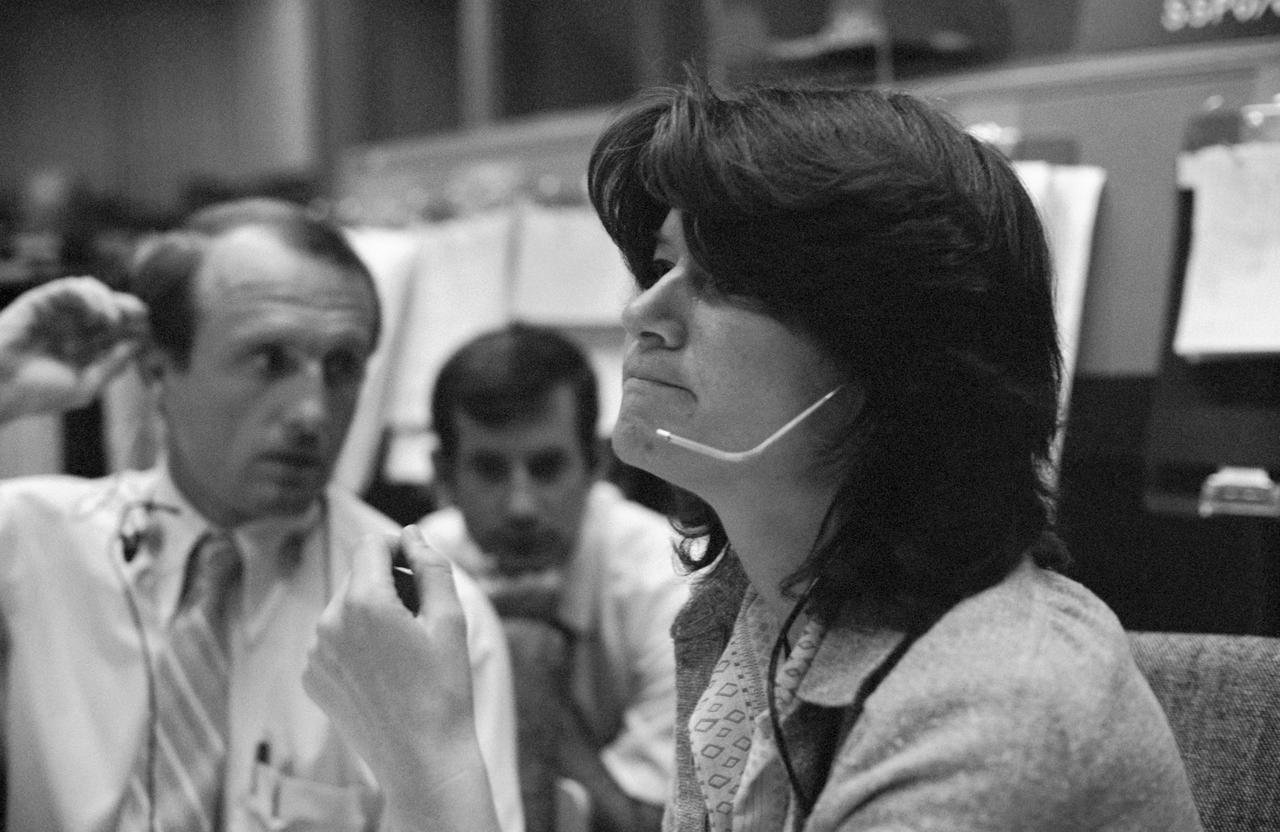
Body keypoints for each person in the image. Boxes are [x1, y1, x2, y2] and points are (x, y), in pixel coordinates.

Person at [304, 77, 1204, 831]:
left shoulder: (997, 712)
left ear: (891, 357)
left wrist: (425, 756)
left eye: (719, 280)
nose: (641, 313)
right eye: (657, 266)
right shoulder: (754, 611)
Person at [0, 200, 523, 832]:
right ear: (158, 368)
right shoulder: (26, 546)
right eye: (268, 360)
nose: (312, 411)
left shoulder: (419, 612)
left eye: (342, 367)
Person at [420, 322, 687, 832]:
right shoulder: (419, 569)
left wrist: (523, 668)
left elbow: (657, 824)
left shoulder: (671, 581)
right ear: (444, 475)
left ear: (597, 465)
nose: (521, 507)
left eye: (546, 468)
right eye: (490, 470)